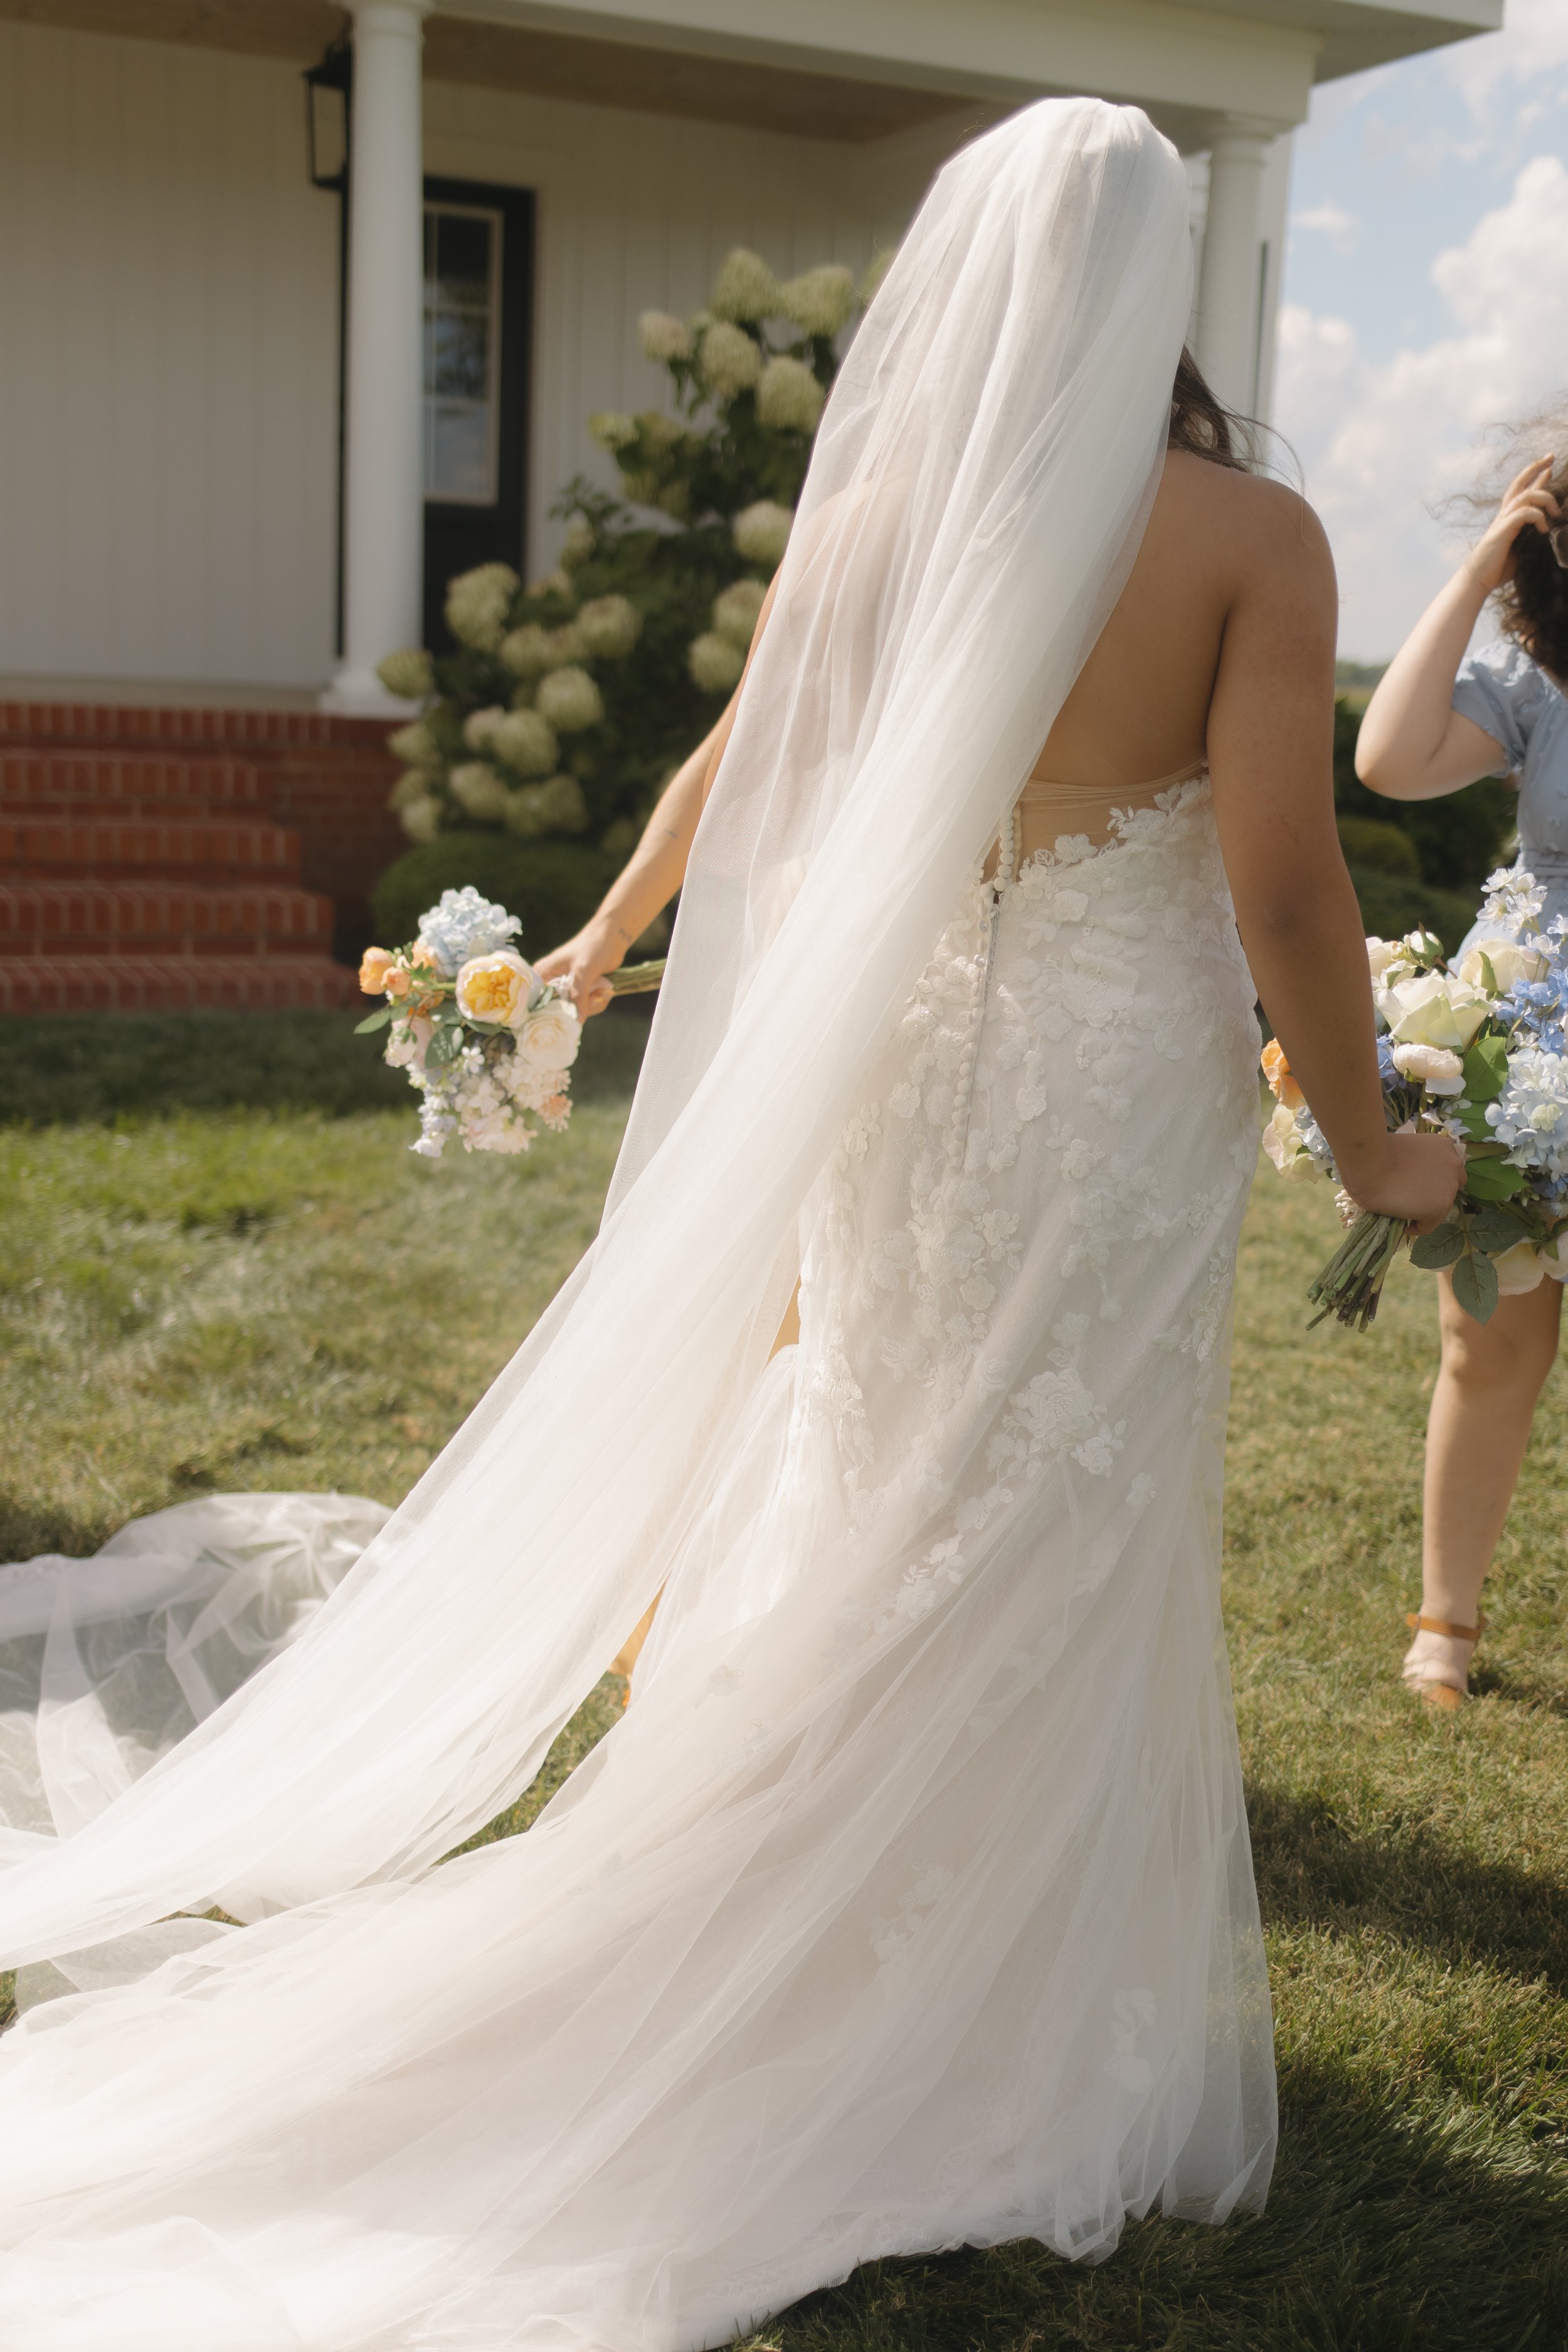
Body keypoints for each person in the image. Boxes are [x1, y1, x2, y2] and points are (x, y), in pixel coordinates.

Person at [0, 100, 1459, 2346]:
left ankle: (801, 1891)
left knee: (885, 1445)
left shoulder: (888, 510)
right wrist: (1380, 1149)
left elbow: (744, 761)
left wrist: (596, 943)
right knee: (1056, 1497)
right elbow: (1284, 879)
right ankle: (976, 1994)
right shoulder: (1250, 534)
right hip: (1099, 1088)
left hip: (912, 1062)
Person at [1355, 425, 1568, 1708]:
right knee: (1485, 1346)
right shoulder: (1536, 692)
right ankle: (1444, 1623)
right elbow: (1385, 755)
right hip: (1533, 1053)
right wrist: (1484, 555)